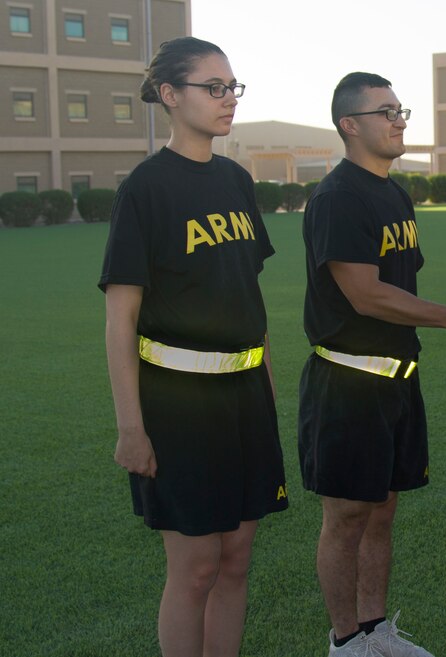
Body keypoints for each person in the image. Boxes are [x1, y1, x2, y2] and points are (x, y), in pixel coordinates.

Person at [299, 72, 446, 657]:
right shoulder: (339, 196)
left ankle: (376, 631)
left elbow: (401, 283)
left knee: (383, 513)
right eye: (386, 111)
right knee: (346, 519)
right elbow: (367, 295)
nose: (400, 120)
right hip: (346, 381)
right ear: (350, 124)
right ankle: (346, 643)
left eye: (401, 109)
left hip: (397, 379)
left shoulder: (393, 192)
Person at [99, 37, 288, 657]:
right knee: (196, 568)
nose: (227, 99)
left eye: (233, 87)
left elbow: (245, 292)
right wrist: (131, 428)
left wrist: (264, 380)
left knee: (236, 560)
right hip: (177, 400)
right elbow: (120, 317)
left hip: (244, 393)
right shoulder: (146, 188)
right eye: (213, 87)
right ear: (170, 96)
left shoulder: (237, 179)